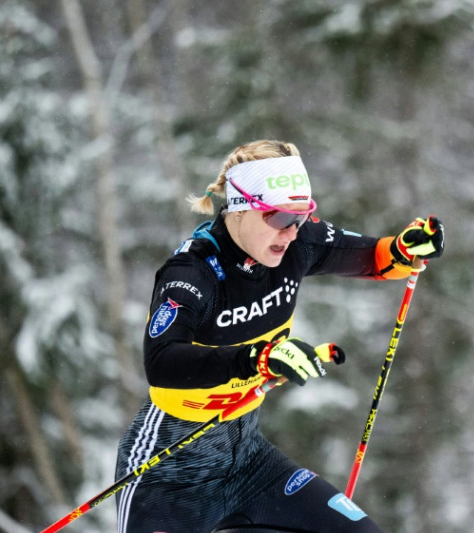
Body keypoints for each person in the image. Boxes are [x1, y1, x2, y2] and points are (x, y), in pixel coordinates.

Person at [114, 139, 444, 533]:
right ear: (240, 206)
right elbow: (162, 361)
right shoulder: (192, 273)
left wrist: (404, 250)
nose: (291, 232)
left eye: (301, 218)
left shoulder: (295, 244)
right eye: (280, 218)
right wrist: (256, 358)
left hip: (249, 463)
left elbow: (372, 255)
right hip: (169, 472)